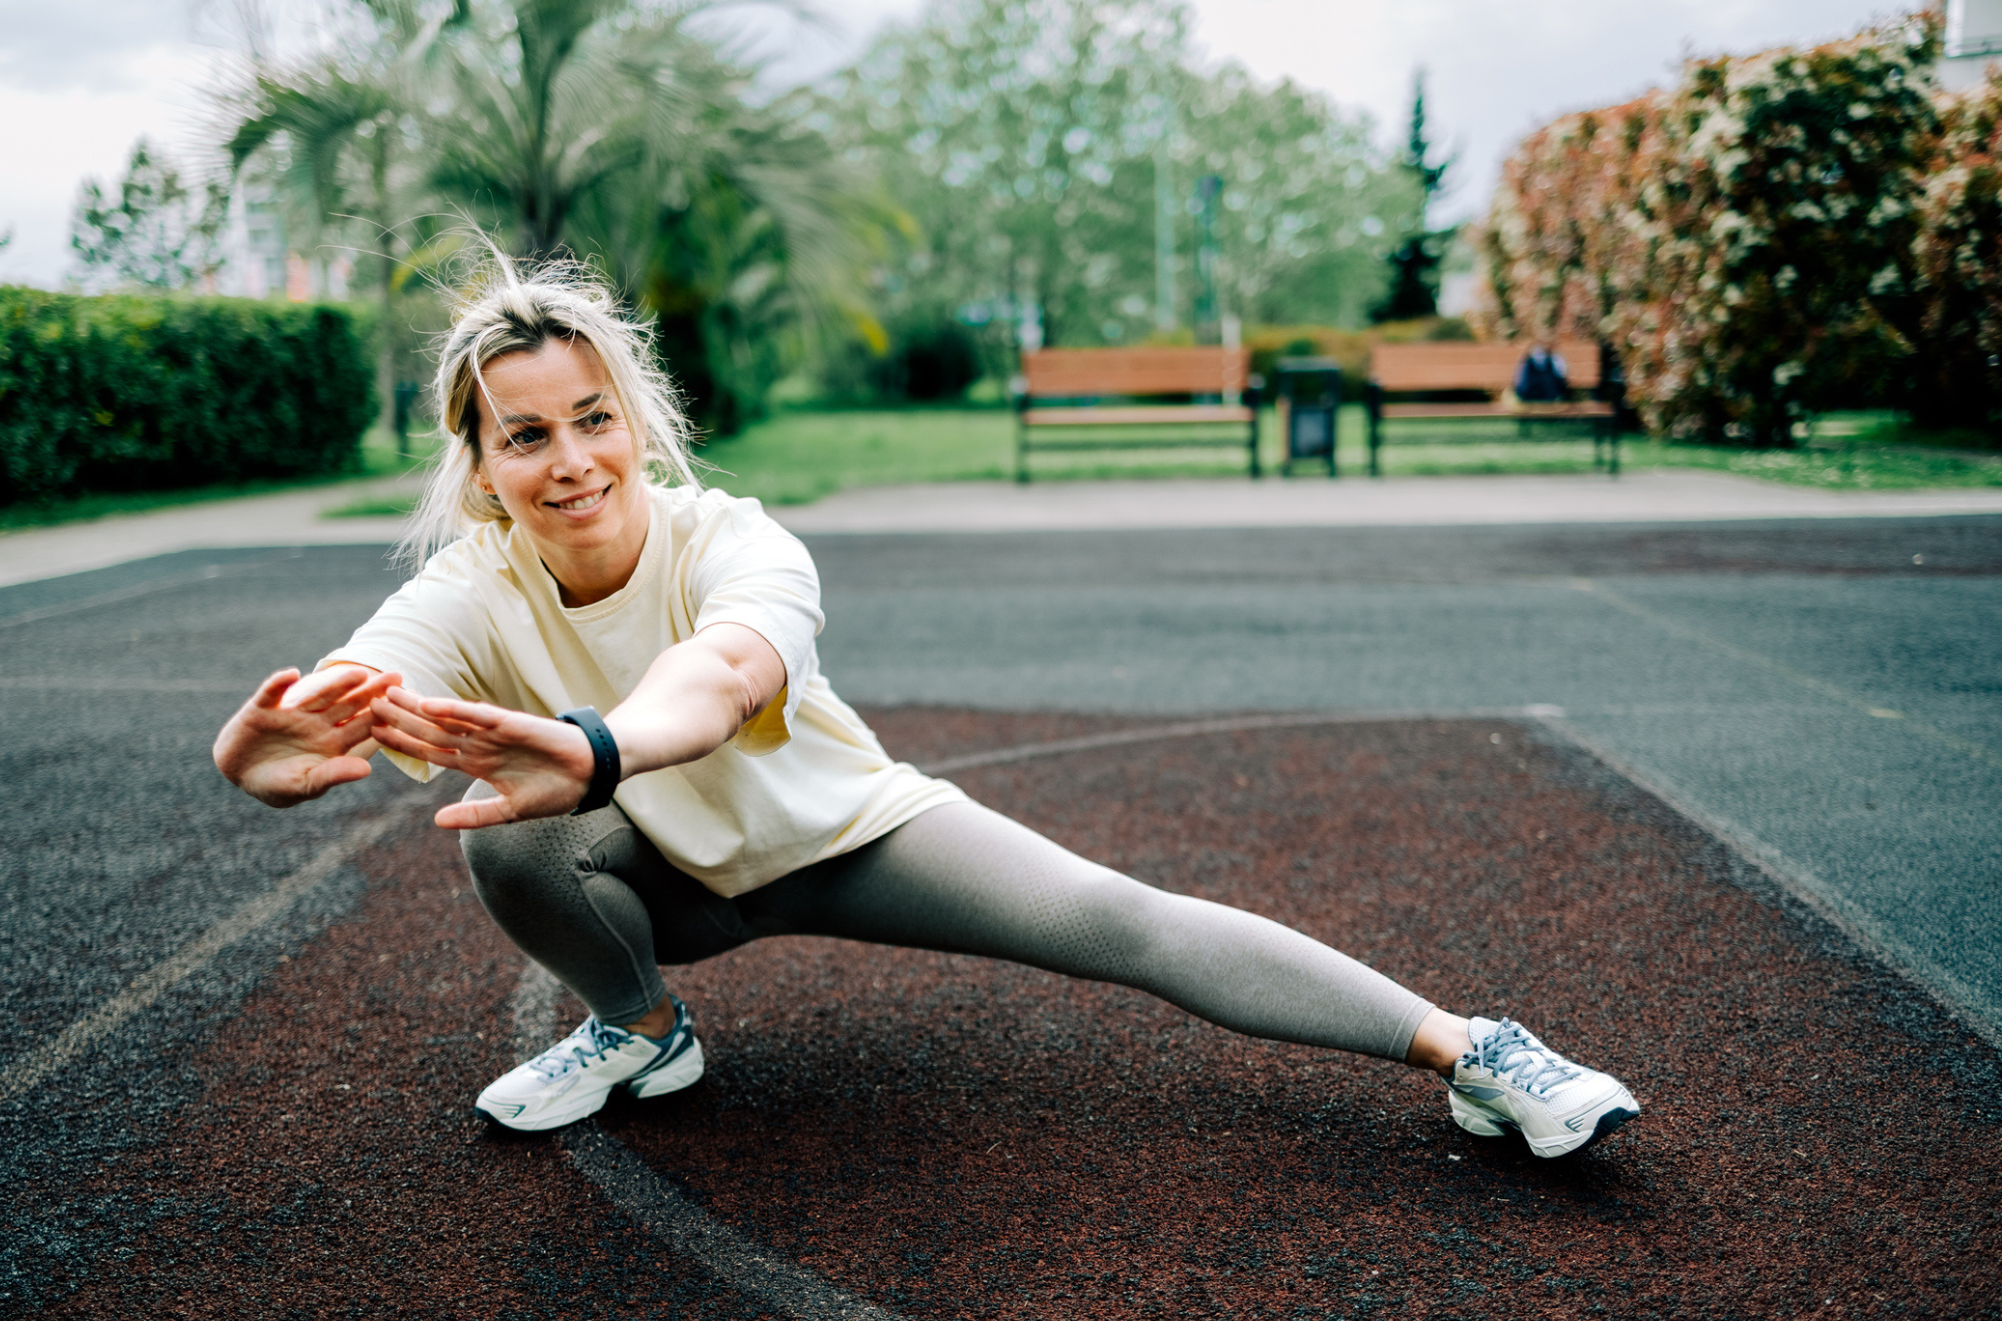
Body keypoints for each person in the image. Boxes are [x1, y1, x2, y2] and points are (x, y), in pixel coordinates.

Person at [213, 254, 1639, 1159]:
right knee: (502, 841)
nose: (570, 458)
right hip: (670, 878)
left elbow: (712, 682)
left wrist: (592, 748)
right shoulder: (471, 583)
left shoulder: (739, 538)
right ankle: (641, 1028)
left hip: (844, 835)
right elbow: (345, 696)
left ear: (635, 420)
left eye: (594, 419)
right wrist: (261, 750)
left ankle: (1476, 1051)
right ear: (480, 464)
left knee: (1118, 917)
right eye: (526, 435)